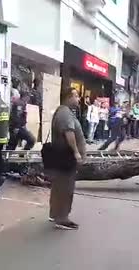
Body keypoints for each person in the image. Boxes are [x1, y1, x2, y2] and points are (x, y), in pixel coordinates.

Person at [48, 88, 86, 230]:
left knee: (59, 186)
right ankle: (62, 218)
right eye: (76, 96)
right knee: (65, 187)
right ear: (68, 97)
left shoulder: (64, 112)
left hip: (62, 155)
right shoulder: (64, 113)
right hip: (66, 156)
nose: (78, 99)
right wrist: (76, 152)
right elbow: (69, 133)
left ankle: (55, 214)